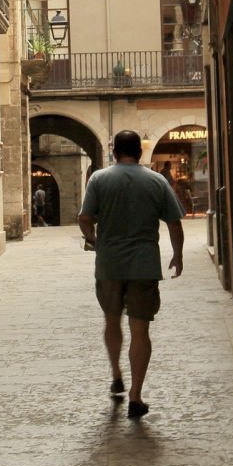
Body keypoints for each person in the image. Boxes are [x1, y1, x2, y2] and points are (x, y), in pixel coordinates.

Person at [78, 130, 185, 418]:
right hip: (144, 265)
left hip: (109, 264)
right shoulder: (157, 180)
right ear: (140, 152)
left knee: (111, 321)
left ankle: (116, 375)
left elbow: (85, 219)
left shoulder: (99, 179)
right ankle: (136, 396)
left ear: (114, 152)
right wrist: (177, 255)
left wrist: (94, 240)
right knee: (141, 331)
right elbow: (175, 223)